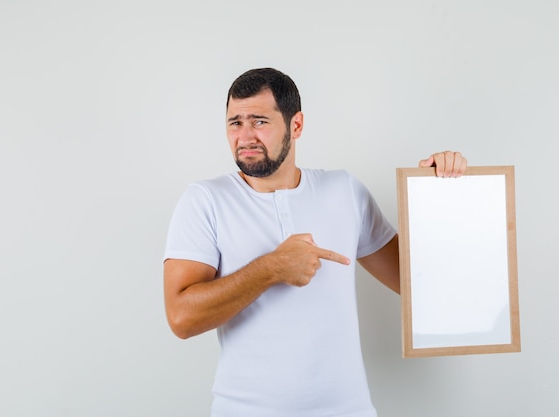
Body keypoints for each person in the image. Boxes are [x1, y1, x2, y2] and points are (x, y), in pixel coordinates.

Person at [163, 67, 467, 417]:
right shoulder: (204, 200)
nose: (245, 136)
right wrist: (270, 268)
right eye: (235, 123)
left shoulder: (344, 191)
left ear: (296, 125)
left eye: (259, 121)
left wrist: (440, 193)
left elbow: (418, 285)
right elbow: (181, 318)